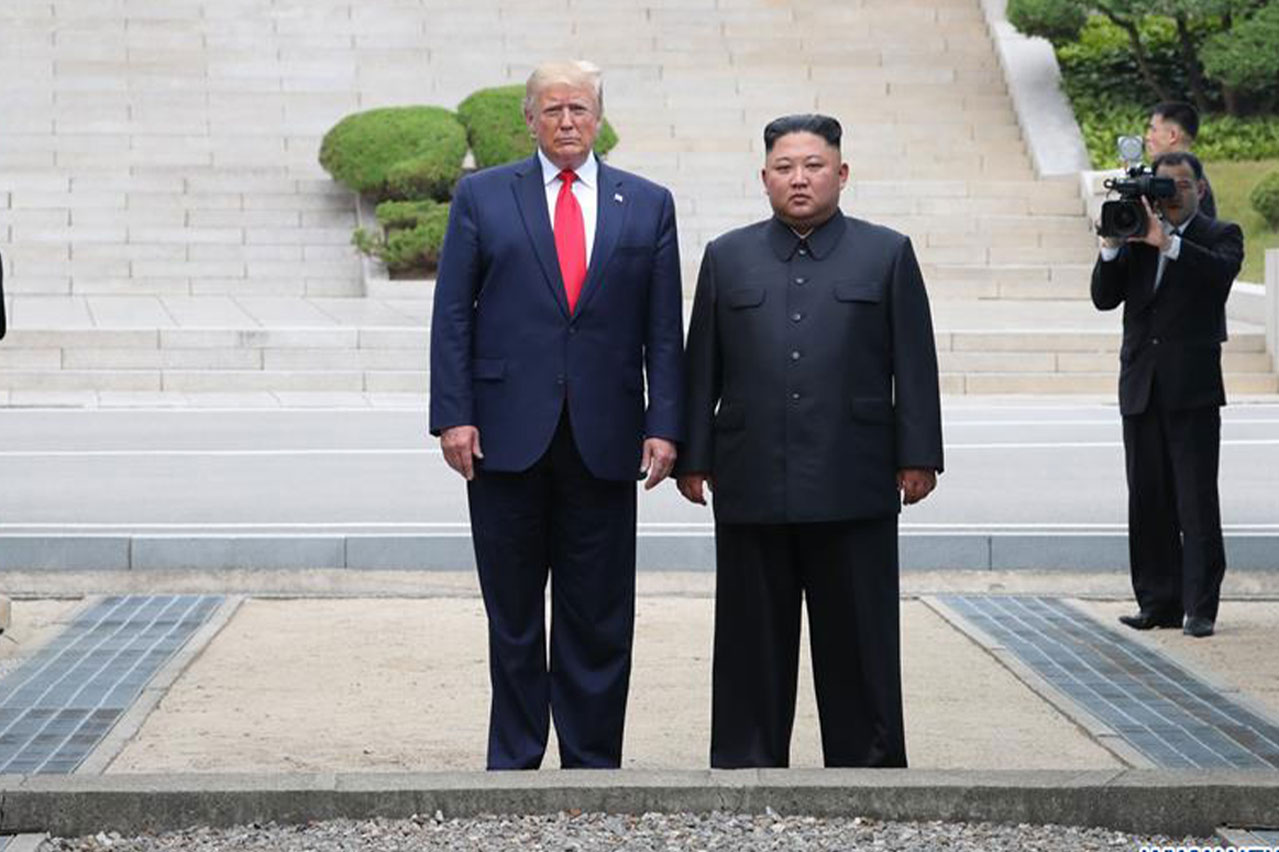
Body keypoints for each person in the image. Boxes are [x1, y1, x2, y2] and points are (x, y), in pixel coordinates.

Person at [428, 60, 684, 769]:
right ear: (529, 120)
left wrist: (665, 422)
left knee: (598, 613)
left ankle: (593, 758)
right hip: (503, 436)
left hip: (606, 437)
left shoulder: (648, 203)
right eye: (552, 110)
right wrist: (453, 414)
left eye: (578, 108)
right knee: (512, 614)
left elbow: (663, 327)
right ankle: (512, 758)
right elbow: (452, 314)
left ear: (599, 116)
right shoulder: (483, 196)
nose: (566, 121)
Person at [676, 114, 943, 769]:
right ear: (764, 178)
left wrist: (918, 455)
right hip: (750, 479)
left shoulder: (885, 253)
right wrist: (693, 455)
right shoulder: (727, 255)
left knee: (857, 636)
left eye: (814, 166)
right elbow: (700, 364)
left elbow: (912, 361)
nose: (799, 179)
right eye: (785, 167)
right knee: (748, 638)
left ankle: (867, 767)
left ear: (841, 173)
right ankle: (745, 763)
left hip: (853, 477)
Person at [1091, 151, 1243, 639]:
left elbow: (1217, 280)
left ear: (1200, 188)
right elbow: (1103, 297)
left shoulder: (1221, 236)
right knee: (1147, 500)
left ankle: (1199, 607)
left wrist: (1170, 243)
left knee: (1195, 502)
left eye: (1180, 184)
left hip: (1192, 390)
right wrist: (1113, 246)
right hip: (1141, 386)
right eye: (1163, 184)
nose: (1171, 193)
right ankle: (1157, 601)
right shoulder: (1136, 233)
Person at [1146, 102, 1217, 219]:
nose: (1147, 137)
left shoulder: (1186, 184)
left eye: (1153, 130)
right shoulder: (1193, 177)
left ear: (1172, 135)